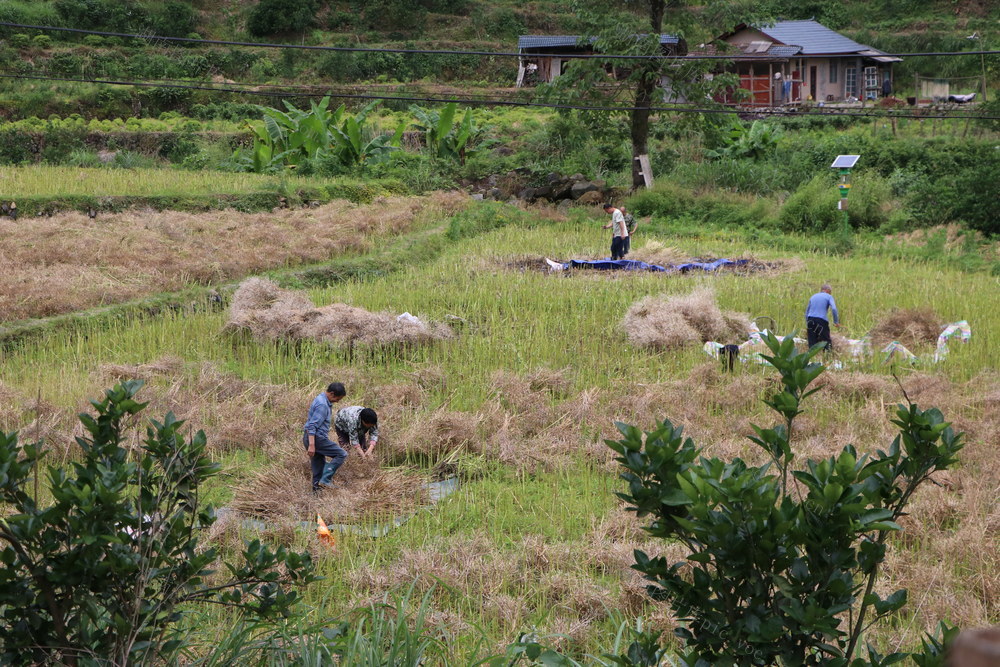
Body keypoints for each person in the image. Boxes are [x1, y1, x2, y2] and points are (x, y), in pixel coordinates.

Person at [302, 382, 347, 492]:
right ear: (332, 394)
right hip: (316, 438)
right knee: (341, 454)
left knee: (318, 466)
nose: (337, 401)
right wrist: (312, 445)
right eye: (338, 398)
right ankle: (326, 479)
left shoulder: (320, 398)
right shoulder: (322, 405)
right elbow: (312, 426)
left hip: (311, 437)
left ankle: (316, 493)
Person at [805, 284, 841, 351]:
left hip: (810, 319)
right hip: (821, 320)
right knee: (826, 341)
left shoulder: (813, 296)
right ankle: (827, 358)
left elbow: (807, 312)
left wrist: (807, 322)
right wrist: (836, 322)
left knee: (812, 342)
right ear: (828, 290)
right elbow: (834, 309)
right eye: (830, 291)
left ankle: (812, 358)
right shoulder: (829, 296)